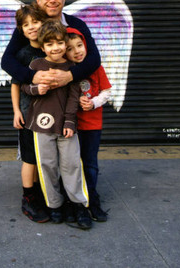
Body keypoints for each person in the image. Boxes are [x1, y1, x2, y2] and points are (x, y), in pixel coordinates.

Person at [21, 20, 92, 229]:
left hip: (66, 125)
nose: (56, 48)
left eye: (59, 43)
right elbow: (24, 86)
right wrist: (36, 89)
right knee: (47, 166)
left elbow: (73, 96)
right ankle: (55, 205)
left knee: (71, 165)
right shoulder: (36, 65)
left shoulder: (72, 68)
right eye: (50, 44)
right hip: (41, 125)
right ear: (43, 47)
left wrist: (70, 120)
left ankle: (79, 204)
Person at [1, 0, 101, 88]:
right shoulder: (29, 29)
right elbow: (7, 60)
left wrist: (70, 75)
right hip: (36, 100)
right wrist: (32, 76)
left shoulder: (77, 25)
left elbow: (94, 58)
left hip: (71, 97)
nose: (52, 0)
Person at [65, 27, 112, 222]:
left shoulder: (96, 68)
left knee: (90, 162)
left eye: (79, 45)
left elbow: (107, 91)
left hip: (92, 125)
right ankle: (73, 201)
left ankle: (92, 197)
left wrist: (94, 102)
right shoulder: (65, 71)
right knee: (71, 164)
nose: (77, 51)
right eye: (70, 48)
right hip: (71, 126)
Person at [10, 3, 49, 223]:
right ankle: (28, 197)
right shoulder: (23, 54)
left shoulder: (50, 47)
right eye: (26, 25)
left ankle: (42, 192)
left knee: (46, 157)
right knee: (30, 158)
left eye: (35, 22)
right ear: (21, 30)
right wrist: (16, 111)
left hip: (50, 114)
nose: (32, 27)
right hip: (28, 113)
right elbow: (15, 84)